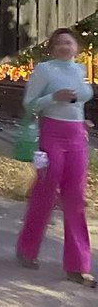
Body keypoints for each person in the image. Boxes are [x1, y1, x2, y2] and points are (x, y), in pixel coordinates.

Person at [16, 28, 95, 286]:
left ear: (77, 47)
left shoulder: (80, 70)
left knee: (75, 200)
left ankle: (77, 265)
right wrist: (53, 97)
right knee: (46, 193)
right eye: (60, 43)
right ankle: (27, 250)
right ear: (52, 48)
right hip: (52, 135)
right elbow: (30, 103)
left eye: (69, 42)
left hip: (77, 137)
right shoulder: (45, 70)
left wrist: (84, 120)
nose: (65, 47)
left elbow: (80, 101)